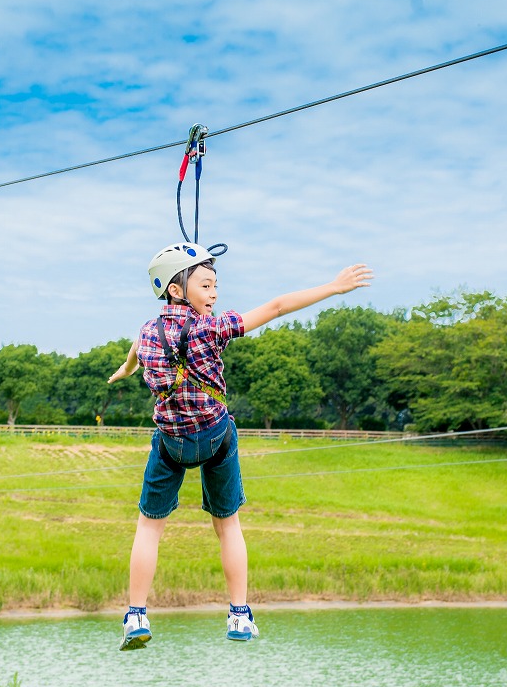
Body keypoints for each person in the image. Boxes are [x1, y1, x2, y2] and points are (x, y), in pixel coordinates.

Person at [108, 242, 373, 650]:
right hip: (214, 436)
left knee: (149, 526)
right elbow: (278, 306)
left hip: (171, 441)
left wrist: (127, 368)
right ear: (178, 291)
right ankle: (239, 615)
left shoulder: (148, 331)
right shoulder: (209, 329)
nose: (214, 294)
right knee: (227, 523)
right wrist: (334, 287)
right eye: (206, 285)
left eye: (216, 286)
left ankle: (136, 615)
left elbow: (136, 349)